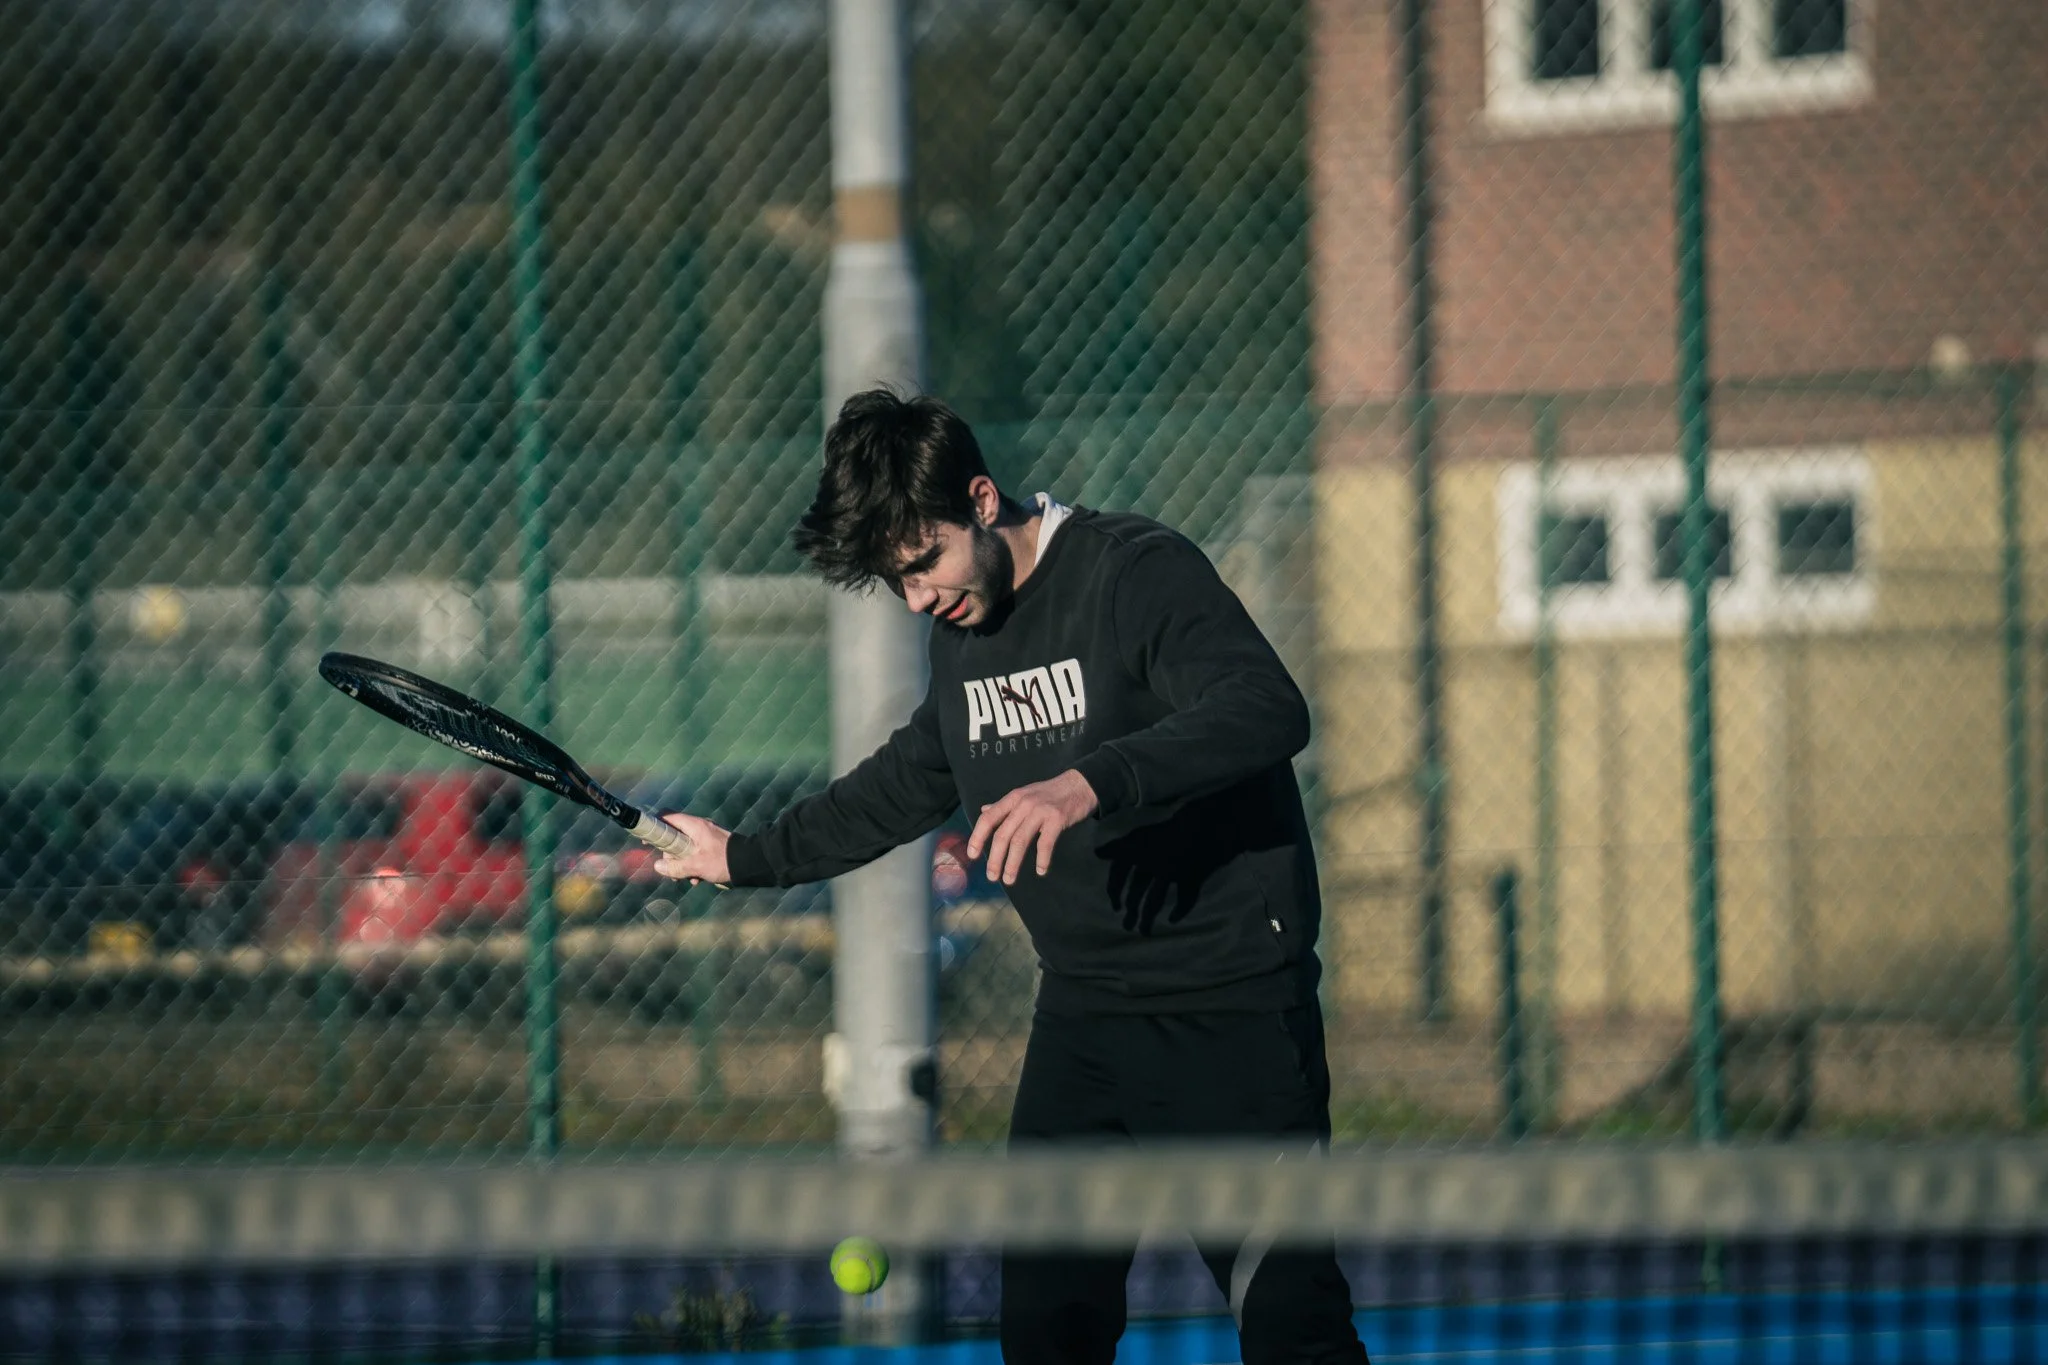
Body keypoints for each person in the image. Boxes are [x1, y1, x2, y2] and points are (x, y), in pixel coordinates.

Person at [653, 388, 1369, 1364]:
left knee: (1286, 1317)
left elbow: (1264, 707)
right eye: (892, 582)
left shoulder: (1132, 572)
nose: (915, 600)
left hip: (1229, 1006)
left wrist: (1088, 783)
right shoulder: (961, 638)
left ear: (982, 501)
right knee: (1044, 1327)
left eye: (922, 564)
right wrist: (740, 856)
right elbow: (903, 784)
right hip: (1085, 1017)